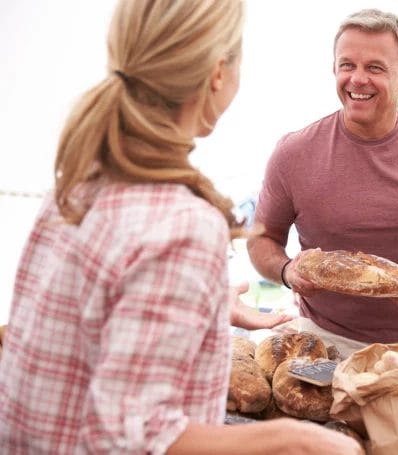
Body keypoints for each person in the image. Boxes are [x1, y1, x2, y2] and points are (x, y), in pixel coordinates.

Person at [0, 1, 362, 453]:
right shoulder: (183, 225)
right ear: (217, 73)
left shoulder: (75, 183)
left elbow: (84, 321)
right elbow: (131, 438)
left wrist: (205, 308)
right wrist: (292, 439)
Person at [248, 9, 398, 358]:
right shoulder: (294, 152)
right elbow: (261, 240)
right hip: (321, 343)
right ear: (334, 70)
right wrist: (286, 271)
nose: (357, 79)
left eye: (374, 68)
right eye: (347, 65)